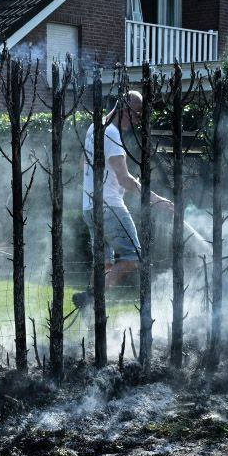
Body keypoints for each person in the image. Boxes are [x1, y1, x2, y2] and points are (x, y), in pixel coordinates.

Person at [73, 90, 173, 308]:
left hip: (90, 206)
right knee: (133, 256)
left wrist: (113, 178)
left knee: (105, 262)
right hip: (110, 208)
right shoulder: (112, 134)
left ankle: (90, 312)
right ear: (126, 111)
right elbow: (125, 178)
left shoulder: (95, 128)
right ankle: (91, 298)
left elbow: (83, 163)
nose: (137, 122)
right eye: (137, 115)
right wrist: (155, 199)